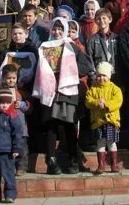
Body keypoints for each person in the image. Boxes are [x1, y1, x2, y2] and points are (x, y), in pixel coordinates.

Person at [32, 18, 92, 175]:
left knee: (69, 125)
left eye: (60, 29)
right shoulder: (44, 47)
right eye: (54, 29)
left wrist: (68, 67)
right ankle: (51, 161)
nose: (57, 32)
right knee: (51, 127)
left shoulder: (71, 46)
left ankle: (73, 160)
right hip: (50, 90)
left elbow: (86, 66)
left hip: (67, 90)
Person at [0, 64, 31, 176]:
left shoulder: (21, 93)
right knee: (7, 149)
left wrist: (23, 105)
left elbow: (30, 108)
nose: (11, 80)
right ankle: (9, 168)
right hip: (3, 127)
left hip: (20, 125)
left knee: (22, 146)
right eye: (8, 78)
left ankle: (21, 166)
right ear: (3, 78)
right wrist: (0, 105)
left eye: (13, 78)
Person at [85, 62, 123, 174]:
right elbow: (88, 101)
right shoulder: (93, 89)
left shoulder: (115, 89)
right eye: (99, 76)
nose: (101, 78)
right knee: (100, 143)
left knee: (111, 142)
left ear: (109, 76)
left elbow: (118, 101)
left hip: (111, 121)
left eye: (104, 76)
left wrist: (106, 105)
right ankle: (101, 165)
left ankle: (114, 164)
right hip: (98, 121)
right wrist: (97, 103)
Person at [86, 9, 119, 81]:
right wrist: (93, 77)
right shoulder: (92, 40)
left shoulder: (117, 38)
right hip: (100, 78)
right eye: (98, 19)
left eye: (104, 18)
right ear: (95, 21)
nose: (101, 21)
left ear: (110, 19)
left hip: (115, 77)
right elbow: (89, 59)